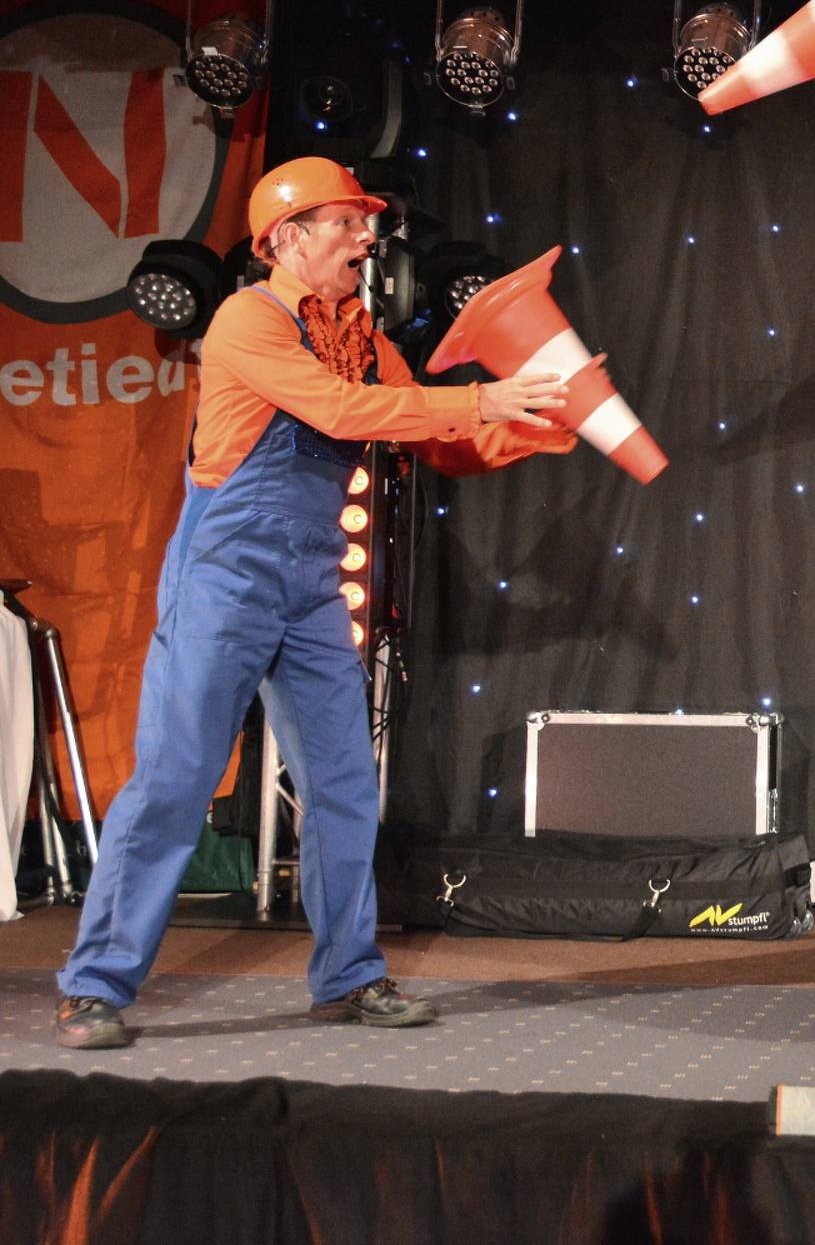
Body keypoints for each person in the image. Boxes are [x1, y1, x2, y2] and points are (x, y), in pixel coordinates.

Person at [55, 157, 573, 1050]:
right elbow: (340, 411)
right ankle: (94, 985)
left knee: (342, 784)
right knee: (177, 776)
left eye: (365, 223)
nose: (366, 237)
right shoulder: (247, 318)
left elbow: (433, 435)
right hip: (225, 573)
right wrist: (483, 396)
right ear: (288, 238)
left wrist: (538, 424)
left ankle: (348, 977)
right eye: (347, 222)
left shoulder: (363, 335)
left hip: (310, 583)